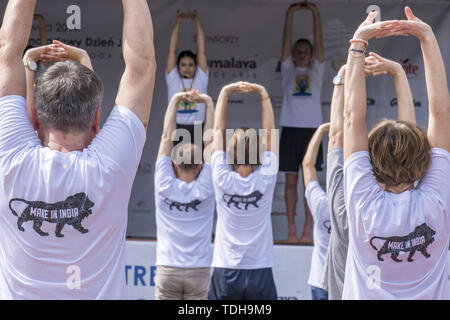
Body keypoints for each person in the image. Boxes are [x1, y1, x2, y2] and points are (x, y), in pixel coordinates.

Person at [0, 0, 156, 299]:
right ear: (97, 119)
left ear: (33, 115)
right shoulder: (110, 168)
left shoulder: (11, 157)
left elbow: (7, 50)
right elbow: (142, 65)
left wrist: (28, 63)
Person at [342, 8, 450, 299]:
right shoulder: (436, 199)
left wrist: (357, 44)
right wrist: (427, 37)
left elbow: (352, 117)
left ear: (372, 168)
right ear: (422, 166)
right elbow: (440, 114)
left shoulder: (363, 200)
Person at [324, 52, 416, 300]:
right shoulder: (420, 203)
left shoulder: (348, 206)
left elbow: (336, 136)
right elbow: (410, 139)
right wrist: (398, 72)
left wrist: (342, 78)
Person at [208, 81, 278, 300]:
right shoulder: (267, 174)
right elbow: (269, 133)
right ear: (260, 152)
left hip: (225, 268)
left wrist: (225, 92)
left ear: (230, 151)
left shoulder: (220, 176)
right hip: (260, 268)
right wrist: (263, 93)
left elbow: (217, 131)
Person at [154, 89, 215, 300]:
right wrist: (207, 101)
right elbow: (211, 142)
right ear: (200, 165)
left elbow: (166, 137)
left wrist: (175, 99)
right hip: (198, 270)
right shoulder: (207, 186)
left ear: (173, 164)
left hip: (168, 268)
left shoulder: (163, 183)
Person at [280, 1, 325, 243]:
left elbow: (319, 43)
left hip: (312, 132)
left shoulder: (317, 69)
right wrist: (291, 13)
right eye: (298, 51)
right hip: (290, 130)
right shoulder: (288, 68)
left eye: (305, 51)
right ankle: (291, 230)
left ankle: (308, 230)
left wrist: (315, 14)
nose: (301, 54)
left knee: (310, 183)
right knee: (290, 182)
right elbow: (286, 42)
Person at [166, 8, 208, 148]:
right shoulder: (173, 79)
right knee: (174, 167)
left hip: (197, 128)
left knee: (198, 167)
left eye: (191, 64)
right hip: (176, 126)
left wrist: (197, 21)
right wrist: (178, 22)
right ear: (177, 67)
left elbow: (201, 50)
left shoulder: (201, 79)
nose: (187, 67)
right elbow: (172, 50)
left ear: (196, 66)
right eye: (183, 64)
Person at [24, 40, 93, 122]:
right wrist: (83, 56)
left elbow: (27, 115)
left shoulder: (25, 131)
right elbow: (92, 107)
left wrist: (29, 56)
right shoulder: (91, 132)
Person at [301, 122, 331, 300]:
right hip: (349, 282)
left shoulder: (321, 204)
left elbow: (308, 165)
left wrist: (320, 131)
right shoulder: (361, 206)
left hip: (321, 283)